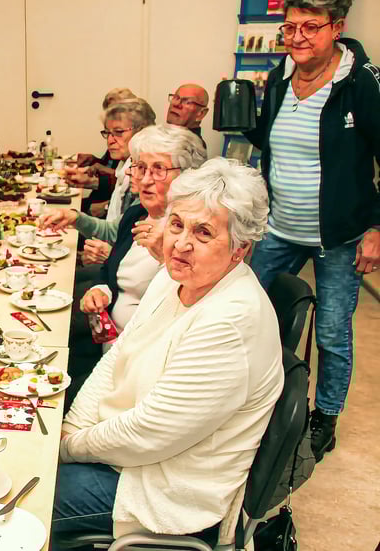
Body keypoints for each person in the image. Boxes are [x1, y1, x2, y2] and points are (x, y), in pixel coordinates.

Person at [51, 159, 283, 549]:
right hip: (128, 453)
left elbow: (151, 430)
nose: (181, 243)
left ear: (239, 249)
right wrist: (73, 427)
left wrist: (67, 448)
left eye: (204, 232)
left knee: (21, 495)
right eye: (176, 225)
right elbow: (118, 357)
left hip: (165, 484)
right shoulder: (174, 276)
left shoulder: (230, 320)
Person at [242, 0, 380, 462]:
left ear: (337, 28)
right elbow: (274, 144)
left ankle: (325, 416)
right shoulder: (281, 73)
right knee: (243, 305)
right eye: (290, 27)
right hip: (279, 225)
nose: (297, 37)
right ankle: (249, 397)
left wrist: (377, 229)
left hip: (338, 234)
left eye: (310, 28)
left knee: (332, 333)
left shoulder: (362, 81)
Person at [66, 125, 207, 407]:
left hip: (140, 372)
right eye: (140, 168)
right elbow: (111, 271)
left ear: (188, 177)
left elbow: (191, 309)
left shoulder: (193, 236)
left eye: (158, 170)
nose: (145, 180)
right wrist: (101, 290)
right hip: (107, 344)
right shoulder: (137, 214)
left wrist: (164, 258)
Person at [41, 98, 157, 264]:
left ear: (142, 132)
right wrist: (74, 216)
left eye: (118, 132)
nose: (110, 140)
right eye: (107, 133)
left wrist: (110, 257)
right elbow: (115, 229)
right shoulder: (125, 165)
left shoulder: (142, 178)